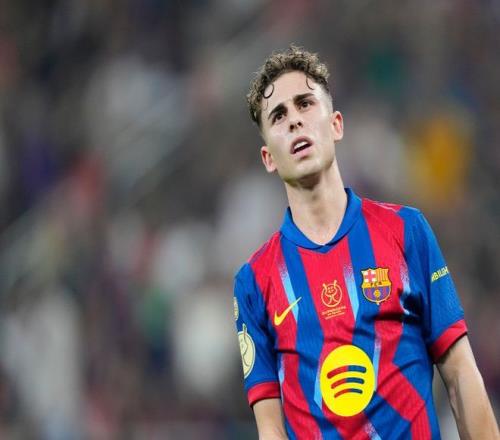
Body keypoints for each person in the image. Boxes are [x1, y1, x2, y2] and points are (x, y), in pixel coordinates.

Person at [233, 45, 499, 440]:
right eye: (279, 115)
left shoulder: (406, 231)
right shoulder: (255, 281)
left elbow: (460, 374)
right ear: (268, 157)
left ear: (336, 125)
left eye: (305, 103)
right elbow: (270, 428)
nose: (294, 121)